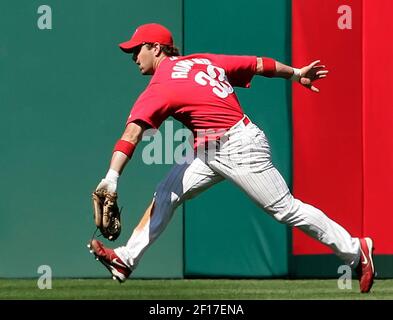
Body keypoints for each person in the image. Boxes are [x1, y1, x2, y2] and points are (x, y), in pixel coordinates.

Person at [88, 23, 375, 293]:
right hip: (210, 147)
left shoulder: (162, 86)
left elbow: (132, 134)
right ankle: (125, 259)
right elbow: (260, 64)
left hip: (238, 147)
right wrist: (297, 73)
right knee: (166, 193)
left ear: (157, 48)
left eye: (137, 49)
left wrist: (111, 178)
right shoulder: (203, 60)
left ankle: (355, 248)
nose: (133, 56)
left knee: (286, 209)